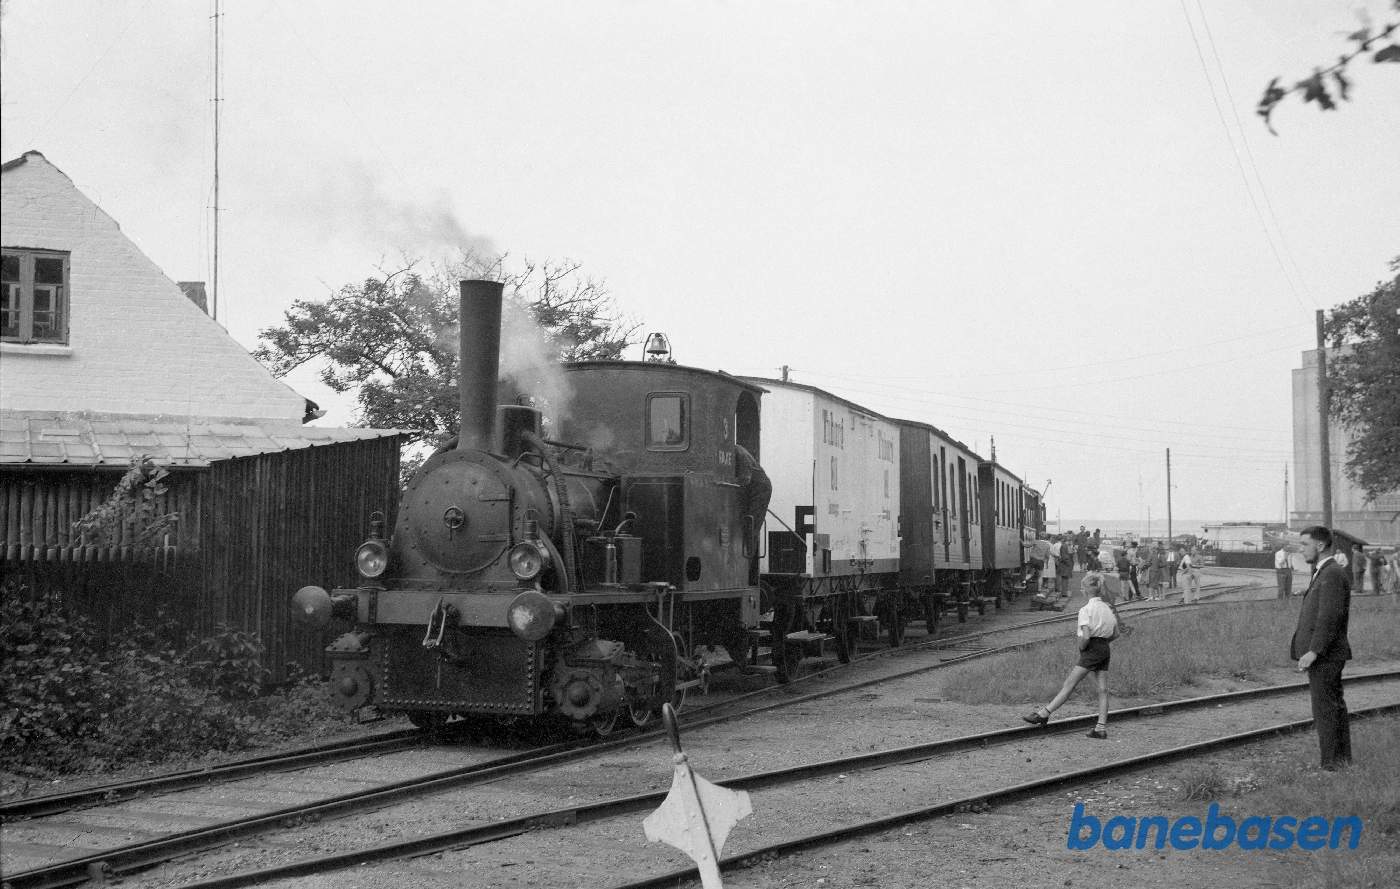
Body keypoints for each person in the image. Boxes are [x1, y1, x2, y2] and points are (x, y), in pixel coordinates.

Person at [1022, 574, 1124, 739]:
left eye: (1082, 588)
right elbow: (1117, 633)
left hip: (1091, 649)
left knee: (1070, 683)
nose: (1081, 590)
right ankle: (1100, 728)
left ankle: (1043, 714)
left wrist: (1083, 647)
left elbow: (1085, 636)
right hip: (1104, 647)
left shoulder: (1086, 610)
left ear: (1086, 590)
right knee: (1103, 689)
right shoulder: (1108, 608)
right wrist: (1103, 643)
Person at [1290, 525, 1353, 770]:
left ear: (1319, 545)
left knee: (1326, 710)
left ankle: (1332, 766)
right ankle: (1340, 762)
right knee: (1331, 708)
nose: (1300, 549)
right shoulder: (1324, 571)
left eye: (1304, 544)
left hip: (1325, 655)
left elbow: (1329, 617)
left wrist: (1313, 651)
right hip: (1326, 653)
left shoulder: (1331, 573)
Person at [732, 444, 772, 583]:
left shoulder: (739, 453)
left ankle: (747, 571)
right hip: (750, 490)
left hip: (760, 488)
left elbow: (745, 479)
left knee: (750, 527)